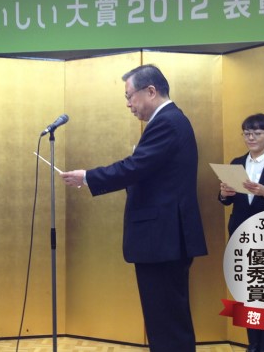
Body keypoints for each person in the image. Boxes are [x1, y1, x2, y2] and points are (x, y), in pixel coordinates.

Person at [61, 64, 207, 352]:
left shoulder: (167, 122)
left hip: (163, 239)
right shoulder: (171, 121)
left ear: (150, 91)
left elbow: (135, 167)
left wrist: (88, 177)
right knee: (166, 320)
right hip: (165, 238)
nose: (128, 104)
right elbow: (148, 173)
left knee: (167, 324)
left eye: (130, 96)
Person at [218, 113, 264, 352]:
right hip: (241, 234)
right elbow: (225, 201)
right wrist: (224, 194)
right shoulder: (237, 162)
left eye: (257, 133)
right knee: (249, 292)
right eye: (247, 133)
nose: (251, 137)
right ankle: (253, 345)